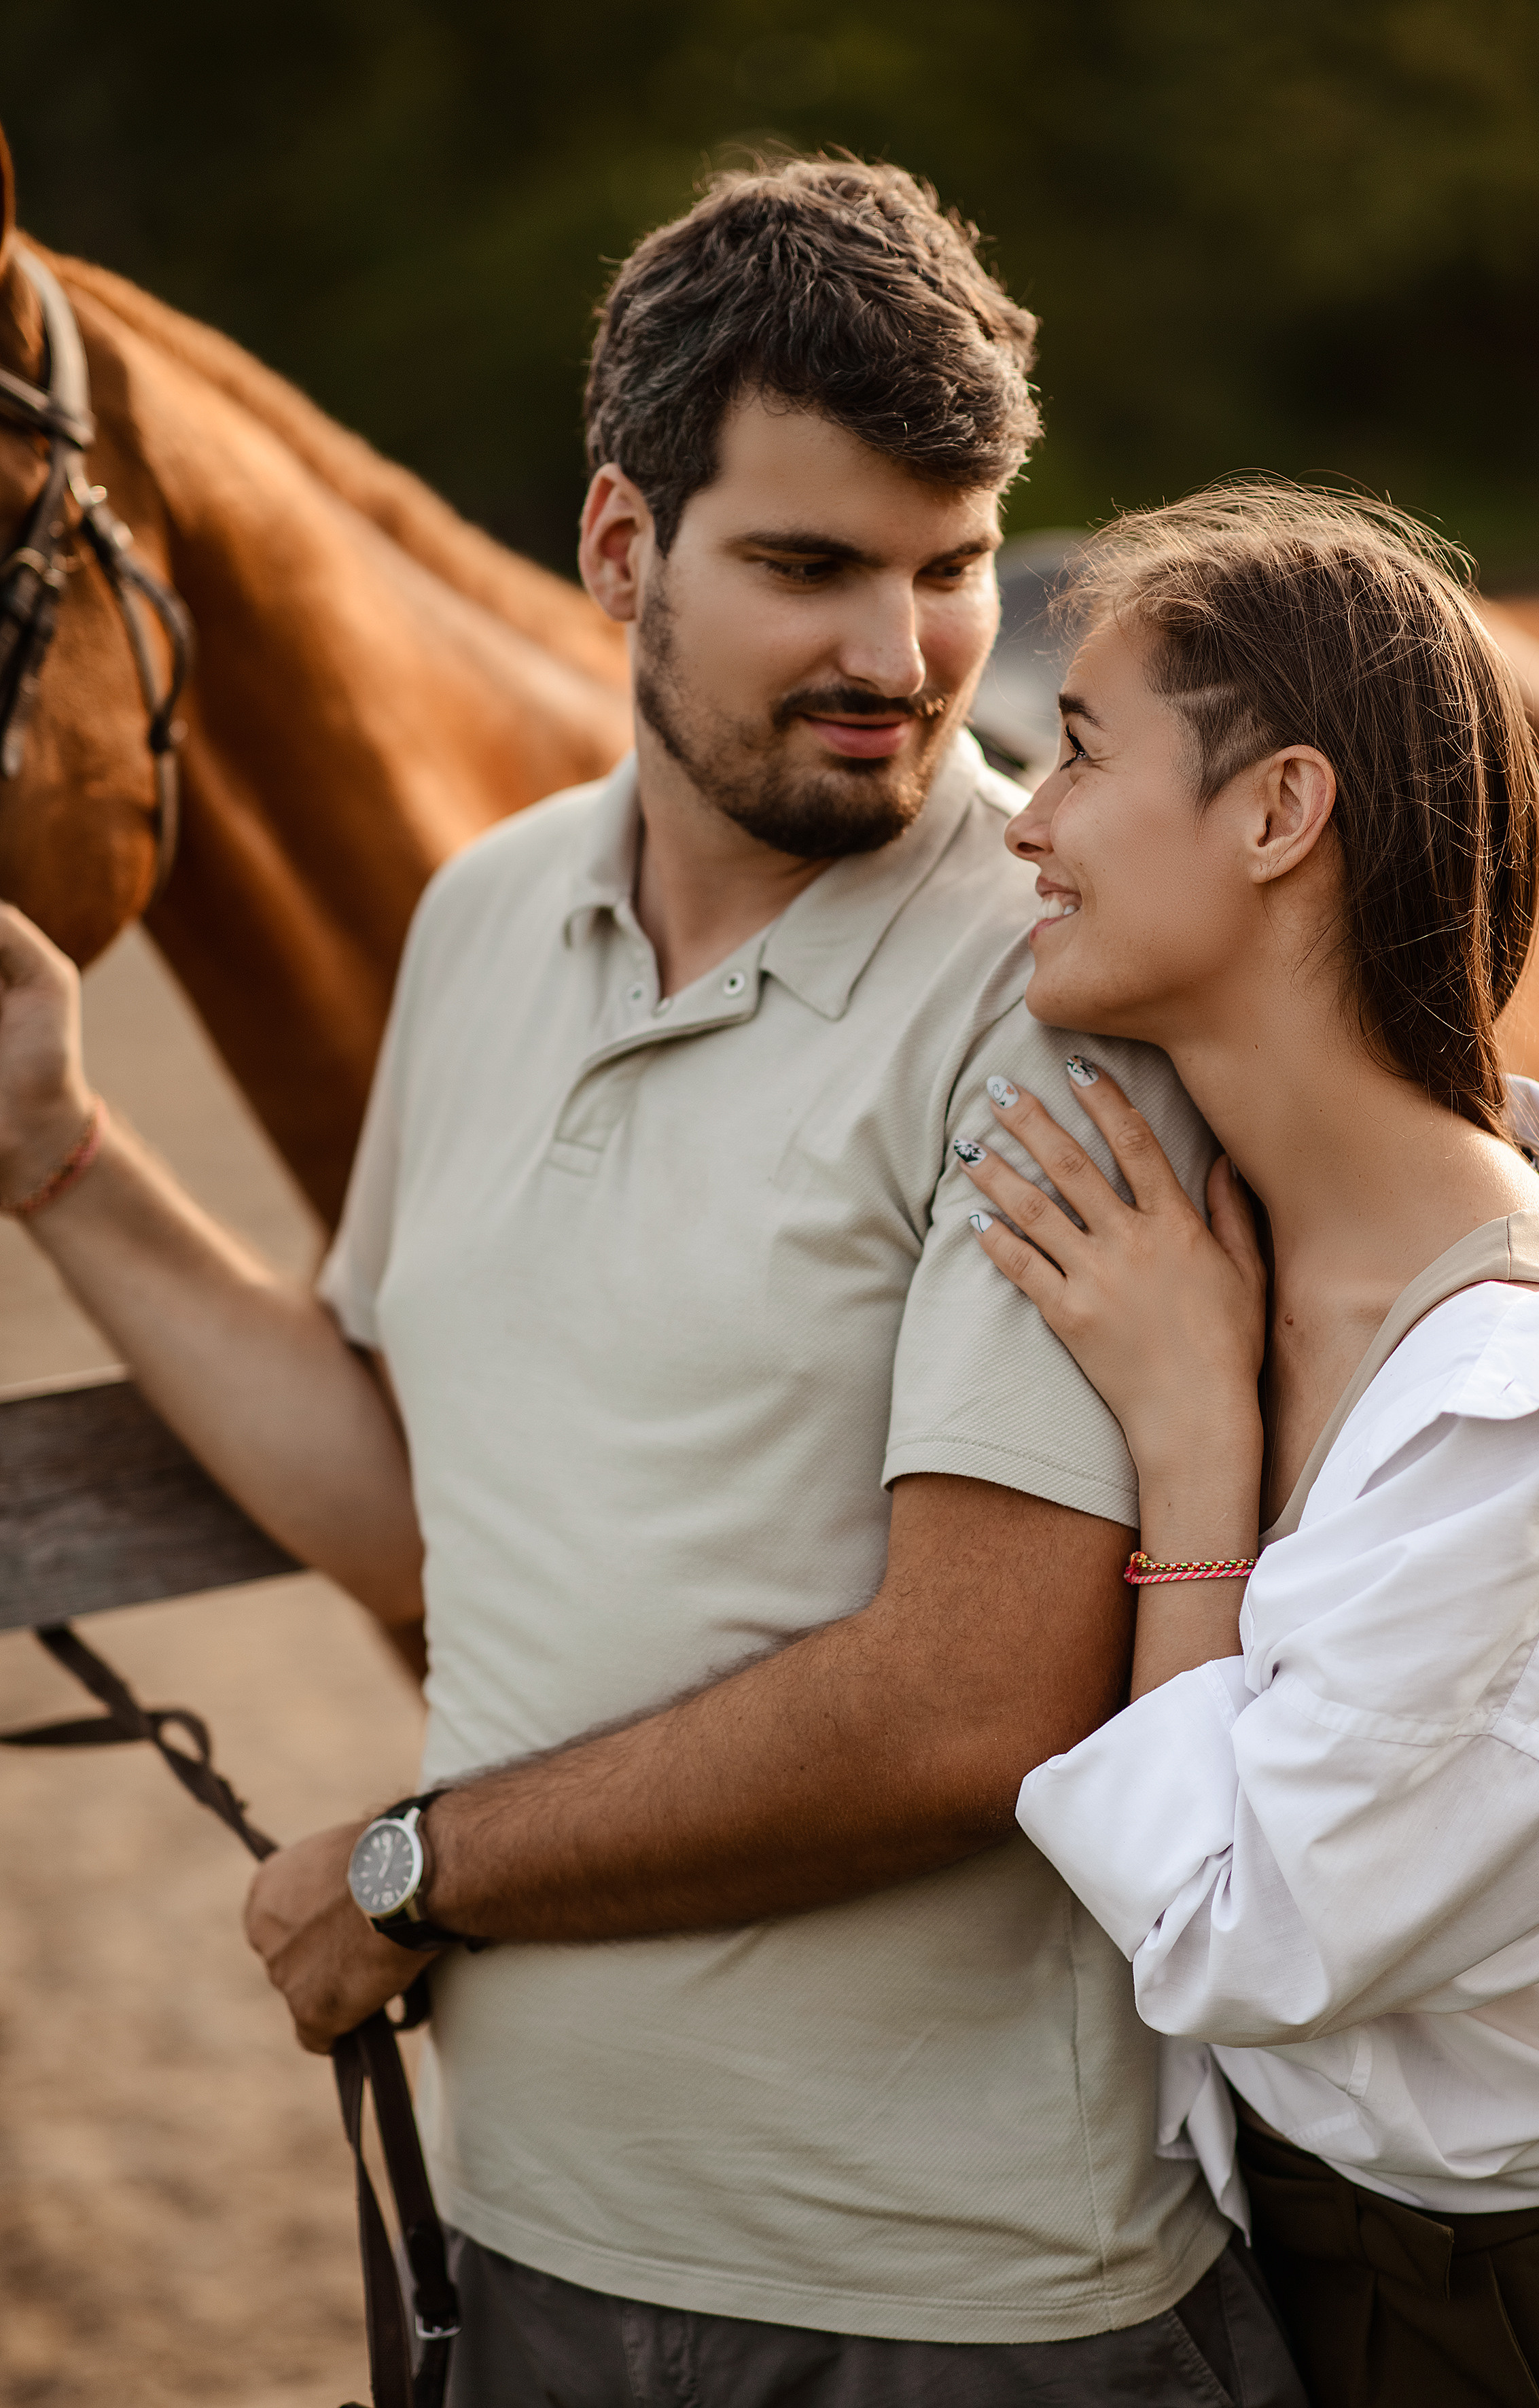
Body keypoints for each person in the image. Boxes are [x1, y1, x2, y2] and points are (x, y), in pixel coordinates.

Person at [0, 163, 1307, 2405]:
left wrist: (410, 1872)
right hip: (510, 2244)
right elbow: (424, 1504)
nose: (897, 659)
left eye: (953, 566)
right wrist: (62, 1162)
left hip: (945, 2313)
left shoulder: (1053, 1001)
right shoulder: (488, 916)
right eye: (805, 567)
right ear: (622, 542)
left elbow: (969, 1702)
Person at [952, 478, 1539, 2407]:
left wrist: (1185, 1456)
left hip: (1511, 2316)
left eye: (1074, 751)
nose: (1028, 823)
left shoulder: (1522, 1417)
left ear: (1273, 813)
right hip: (1309, 2245)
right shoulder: (1265, 1241)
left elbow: (1240, 1932)